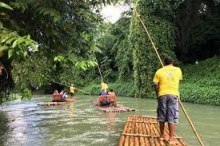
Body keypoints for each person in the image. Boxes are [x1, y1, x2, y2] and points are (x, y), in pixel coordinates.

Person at [153, 57, 182, 144]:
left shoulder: (159, 71)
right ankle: (171, 137)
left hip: (162, 94)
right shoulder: (178, 70)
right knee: (171, 116)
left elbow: (155, 84)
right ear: (172, 62)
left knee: (162, 115)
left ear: (164, 62)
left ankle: (161, 136)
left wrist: (157, 92)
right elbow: (178, 80)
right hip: (173, 95)